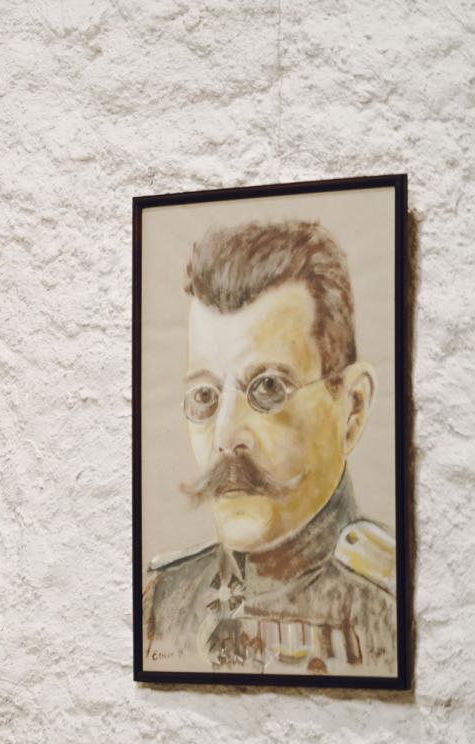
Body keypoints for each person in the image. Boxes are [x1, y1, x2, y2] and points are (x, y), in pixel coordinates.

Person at [143, 221, 397, 676]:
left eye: (268, 388)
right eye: (205, 396)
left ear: (352, 408)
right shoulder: (163, 603)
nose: (225, 437)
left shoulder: (391, 608)